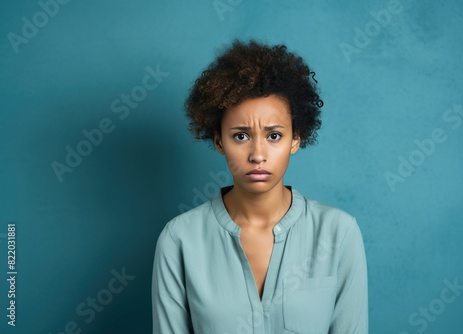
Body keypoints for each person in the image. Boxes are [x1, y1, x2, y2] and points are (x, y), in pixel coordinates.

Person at [152, 39, 368, 334]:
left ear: (296, 139)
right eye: (240, 136)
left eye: (274, 136)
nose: (257, 155)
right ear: (218, 141)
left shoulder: (338, 233)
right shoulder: (179, 240)